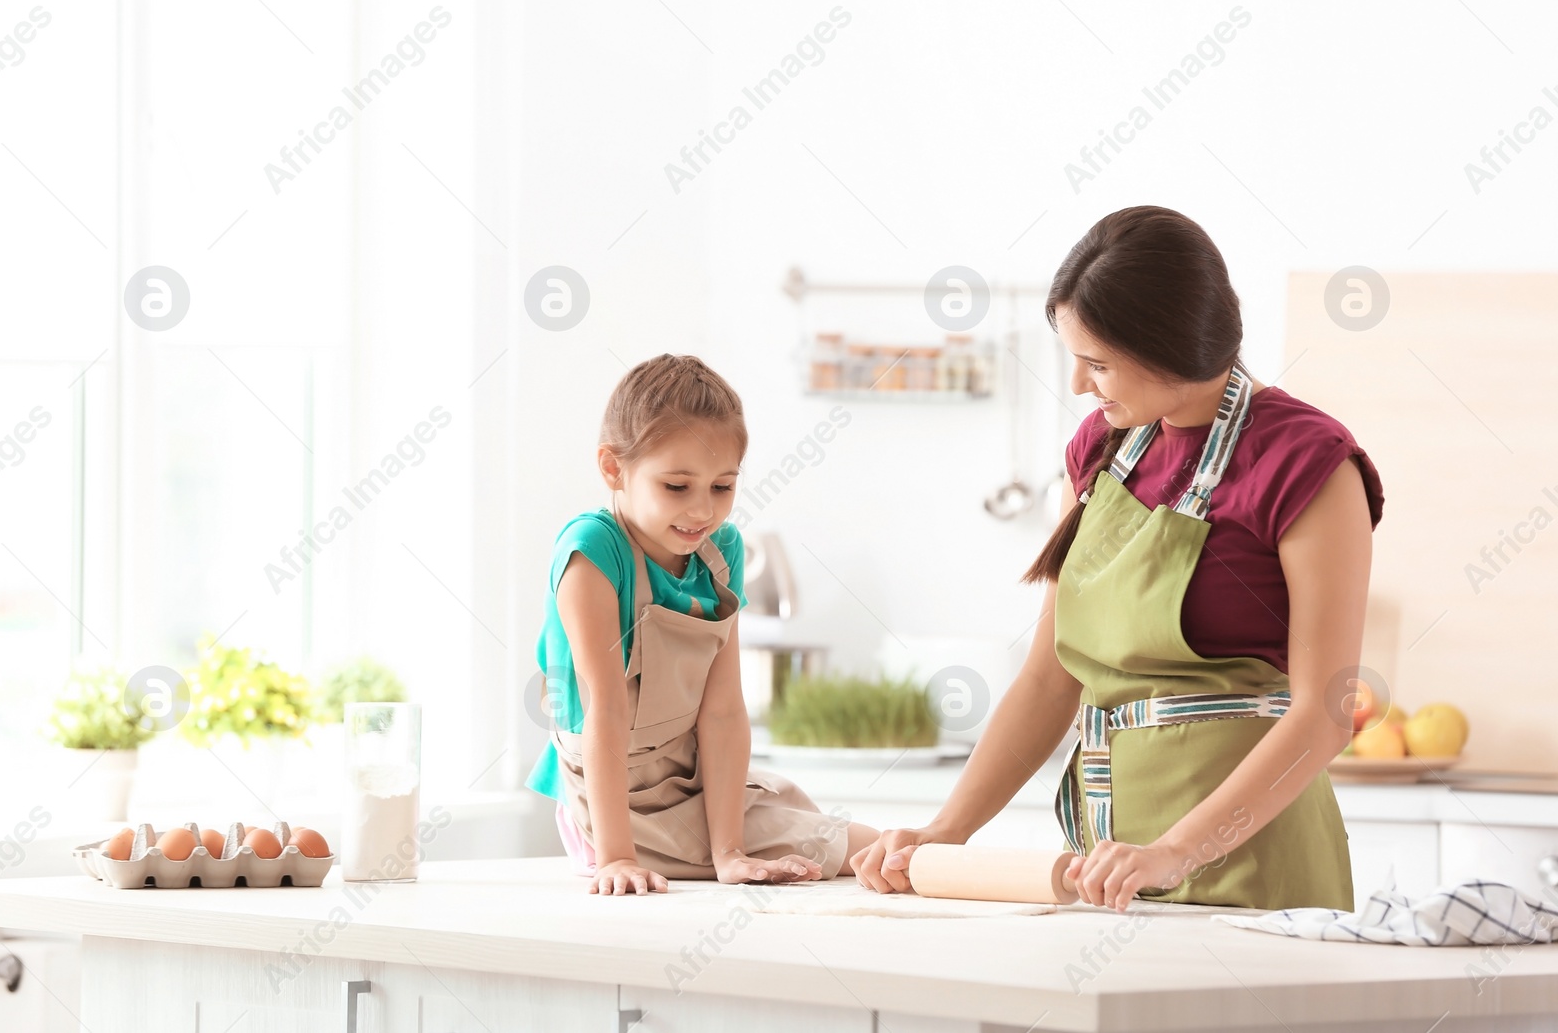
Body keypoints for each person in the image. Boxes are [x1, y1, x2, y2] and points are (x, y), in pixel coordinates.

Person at [851, 205, 1384, 912]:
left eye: (1097, 362)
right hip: (1110, 866)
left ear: (1176, 346)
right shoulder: (1101, 453)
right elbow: (1048, 681)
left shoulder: (1306, 461)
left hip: (1255, 865)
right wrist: (945, 832)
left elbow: (1324, 709)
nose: (1077, 383)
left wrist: (1176, 849)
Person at [524, 353, 881, 895]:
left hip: (687, 777)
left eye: (722, 487)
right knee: (867, 849)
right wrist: (617, 859)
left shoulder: (723, 552)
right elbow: (606, 707)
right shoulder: (593, 550)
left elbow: (722, 711)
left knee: (832, 831)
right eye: (676, 487)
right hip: (611, 802)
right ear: (613, 468)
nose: (701, 512)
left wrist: (729, 852)